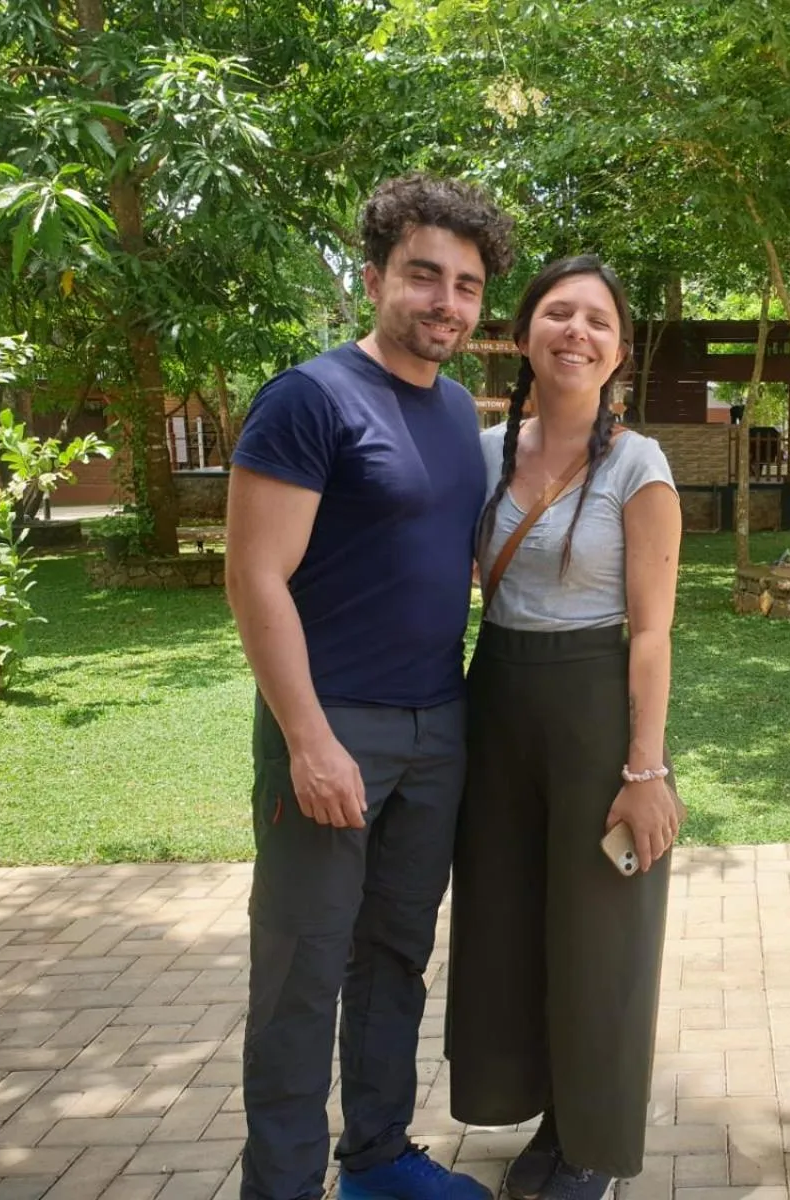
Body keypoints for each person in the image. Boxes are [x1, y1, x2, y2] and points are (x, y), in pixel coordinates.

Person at [225, 172, 514, 1200]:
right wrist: (306, 739)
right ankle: (284, 1185)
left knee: (395, 954)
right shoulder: (310, 398)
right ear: (374, 278)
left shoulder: (452, 416)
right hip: (332, 724)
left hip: (438, 726)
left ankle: (379, 1156)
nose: (445, 302)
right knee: (301, 978)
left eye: (467, 286)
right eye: (423, 275)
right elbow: (253, 575)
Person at [446, 255, 683, 1200]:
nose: (576, 332)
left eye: (597, 321)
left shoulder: (638, 463)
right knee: (512, 924)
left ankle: (595, 1143)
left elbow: (654, 630)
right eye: (558, 313)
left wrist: (644, 768)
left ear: (619, 350)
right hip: (495, 697)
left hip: (594, 709)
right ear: (525, 331)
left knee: (600, 936)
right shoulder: (484, 448)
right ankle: (549, 1116)